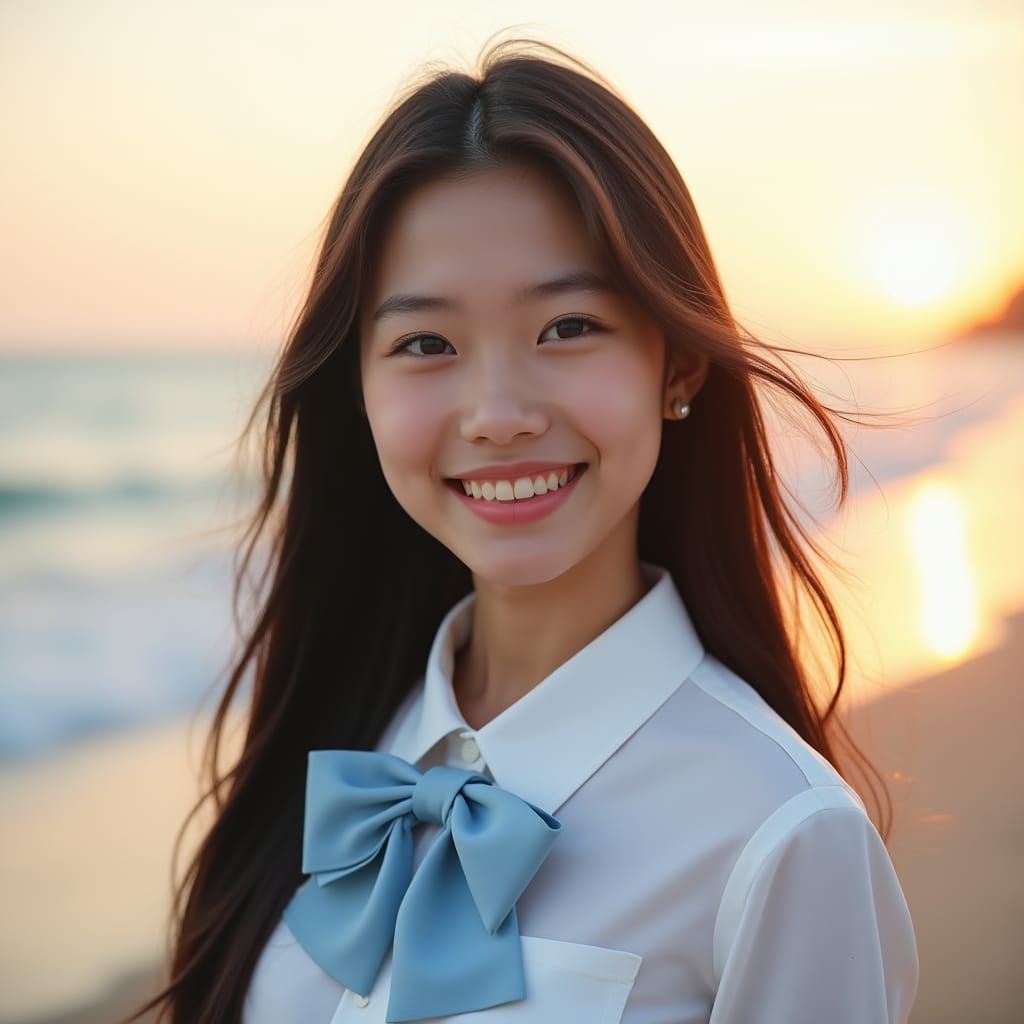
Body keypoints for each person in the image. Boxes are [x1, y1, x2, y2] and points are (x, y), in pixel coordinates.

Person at [122, 36, 918, 1024]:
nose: (497, 414)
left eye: (567, 327)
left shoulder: (783, 835)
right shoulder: (335, 747)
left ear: (676, 365)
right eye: (426, 343)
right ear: (358, 391)